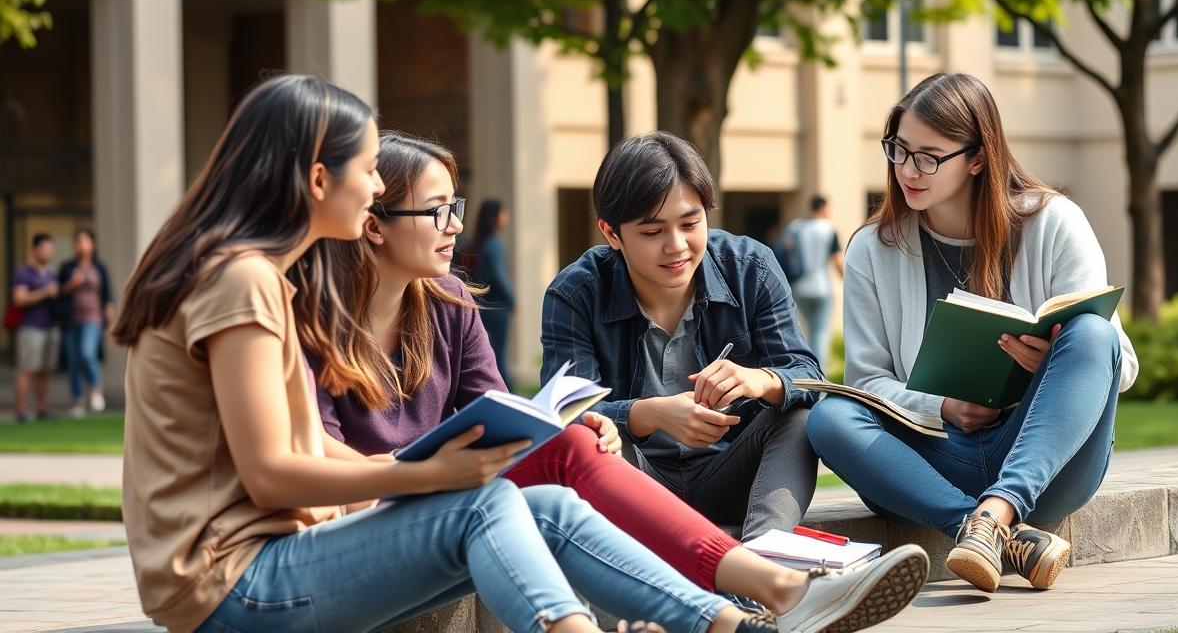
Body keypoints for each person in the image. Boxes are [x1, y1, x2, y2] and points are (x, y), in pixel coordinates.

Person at [108, 75, 804, 633]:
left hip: (270, 562)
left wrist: (442, 469)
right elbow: (271, 477)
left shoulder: (261, 279)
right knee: (488, 506)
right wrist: (428, 476)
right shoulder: (243, 281)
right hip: (233, 582)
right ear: (318, 180)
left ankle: (723, 622)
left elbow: (310, 454)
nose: (376, 186)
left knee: (546, 508)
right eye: (366, 168)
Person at [300, 130, 928, 630]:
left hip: (694, 474)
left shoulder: (450, 300)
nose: (456, 226)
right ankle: (765, 595)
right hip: (393, 516)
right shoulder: (307, 319)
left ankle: (767, 573)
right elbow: (313, 470)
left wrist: (755, 381)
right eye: (437, 211)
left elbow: (500, 413)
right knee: (575, 455)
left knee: (586, 439)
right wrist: (642, 415)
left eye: (689, 223)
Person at [806, 72, 1140, 595]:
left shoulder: (1055, 223)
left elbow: (1121, 364)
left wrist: (1051, 361)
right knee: (828, 416)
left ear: (978, 157)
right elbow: (866, 381)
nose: (907, 170)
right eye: (898, 149)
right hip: (935, 461)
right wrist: (942, 407)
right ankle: (986, 529)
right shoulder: (873, 248)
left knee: (1094, 335)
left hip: (1044, 465)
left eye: (929, 156)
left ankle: (999, 509)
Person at [542, 132, 823, 542]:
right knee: (587, 438)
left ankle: (765, 555)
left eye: (690, 224)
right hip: (634, 484)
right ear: (611, 233)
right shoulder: (576, 293)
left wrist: (760, 380)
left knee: (800, 415)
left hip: (733, 476)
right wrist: (651, 414)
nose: (676, 247)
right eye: (653, 232)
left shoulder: (751, 268)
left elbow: (809, 376)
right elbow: (563, 415)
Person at [58, 228, 114, 417]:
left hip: (93, 319)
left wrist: (109, 322)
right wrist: (71, 284)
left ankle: (96, 389)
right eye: (77, 241)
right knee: (73, 360)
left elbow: (107, 296)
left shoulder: (99, 268)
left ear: (92, 244)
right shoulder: (67, 267)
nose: (80, 245)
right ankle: (78, 400)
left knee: (86, 353)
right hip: (71, 320)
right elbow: (58, 292)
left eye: (84, 241)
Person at [785, 196, 844, 373]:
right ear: (824, 208)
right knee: (820, 332)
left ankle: (804, 371)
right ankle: (818, 376)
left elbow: (787, 250)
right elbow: (837, 260)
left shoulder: (796, 227)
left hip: (799, 287)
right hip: (821, 288)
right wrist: (846, 282)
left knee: (804, 331)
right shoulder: (828, 228)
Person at [11, 233, 60, 422]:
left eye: (51, 250)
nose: (49, 253)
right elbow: (19, 299)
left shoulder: (51, 273)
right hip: (30, 327)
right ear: (35, 249)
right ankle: (21, 411)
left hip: (49, 327)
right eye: (46, 249)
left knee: (43, 371)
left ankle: (42, 408)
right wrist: (44, 292)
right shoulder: (24, 272)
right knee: (26, 369)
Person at [471, 198, 517, 390]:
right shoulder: (494, 245)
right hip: (498, 309)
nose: (506, 217)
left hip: (482, 307)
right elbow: (498, 277)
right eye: (503, 212)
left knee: (488, 355)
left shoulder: (478, 243)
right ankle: (509, 397)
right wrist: (513, 300)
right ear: (496, 216)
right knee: (498, 356)